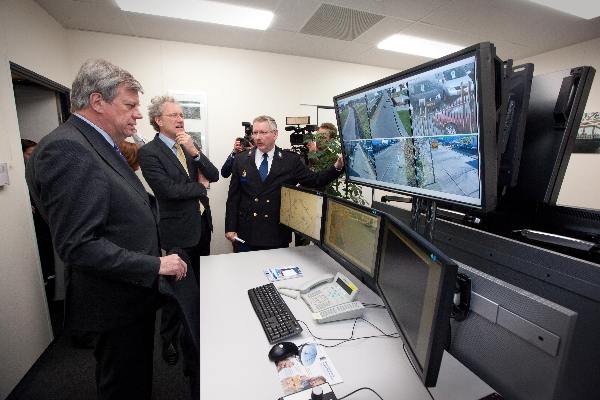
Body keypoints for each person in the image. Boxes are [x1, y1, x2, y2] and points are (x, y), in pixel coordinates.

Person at [25, 59, 187, 400]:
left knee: (135, 378)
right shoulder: (68, 148)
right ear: (97, 102)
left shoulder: (95, 143)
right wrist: (156, 264)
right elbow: (78, 244)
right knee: (124, 386)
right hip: (114, 299)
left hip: (128, 293)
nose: (138, 114)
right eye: (129, 106)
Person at [137, 95, 218, 370]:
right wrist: (200, 187)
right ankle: (169, 339)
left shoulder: (188, 145)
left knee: (201, 286)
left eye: (182, 114)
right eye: (174, 115)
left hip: (201, 226)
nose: (181, 119)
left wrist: (195, 152)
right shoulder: (148, 152)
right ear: (158, 120)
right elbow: (167, 191)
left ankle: (199, 333)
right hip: (177, 232)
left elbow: (215, 174)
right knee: (176, 291)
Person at [225, 115, 344, 252]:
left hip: (275, 234)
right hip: (246, 233)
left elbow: (315, 180)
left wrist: (337, 167)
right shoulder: (241, 159)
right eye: (255, 132)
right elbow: (233, 198)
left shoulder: (290, 161)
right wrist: (230, 228)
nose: (257, 137)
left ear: (275, 134)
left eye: (263, 132)